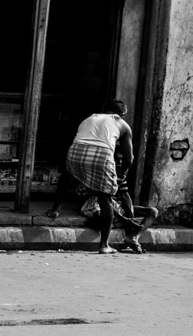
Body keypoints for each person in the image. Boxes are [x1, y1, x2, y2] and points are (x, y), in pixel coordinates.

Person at [55, 100, 142, 254]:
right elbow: (129, 158)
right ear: (121, 114)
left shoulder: (89, 118)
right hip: (101, 153)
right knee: (105, 199)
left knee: (67, 176)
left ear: (105, 110)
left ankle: (55, 209)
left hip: (76, 150)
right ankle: (104, 245)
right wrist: (123, 173)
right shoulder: (123, 124)